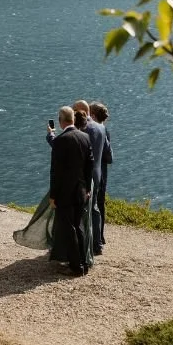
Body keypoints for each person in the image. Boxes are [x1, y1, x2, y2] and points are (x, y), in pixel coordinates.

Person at [48, 106, 93, 276]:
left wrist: (53, 195)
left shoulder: (60, 141)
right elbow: (89, 165)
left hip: (65, 193)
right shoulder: (85, 137)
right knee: (78, 226)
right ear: (73, 119)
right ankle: (84, 262)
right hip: (81, 191)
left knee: (69, 229)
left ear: (61, 121)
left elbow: (56, 172)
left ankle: (76, 266)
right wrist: (87, 188)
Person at [71, 100, 105, 264]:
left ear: (81, 111)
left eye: (74, 109)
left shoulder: (84, 129)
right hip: (97, 173)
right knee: (95, 209)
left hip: (85, 176)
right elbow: (106, 153)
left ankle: (85, 247)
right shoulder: (101, 127)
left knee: (83, 211)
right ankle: (98, 244)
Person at [90, 100, 113, 247]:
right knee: (100, 205)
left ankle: (95, 238)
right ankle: (101, 236)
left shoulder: (94, 131)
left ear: (92, 115)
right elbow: (109, 157)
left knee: (94, 206)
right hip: (103, 173)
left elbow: (108, 156)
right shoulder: (105, 130)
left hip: (95, 173)